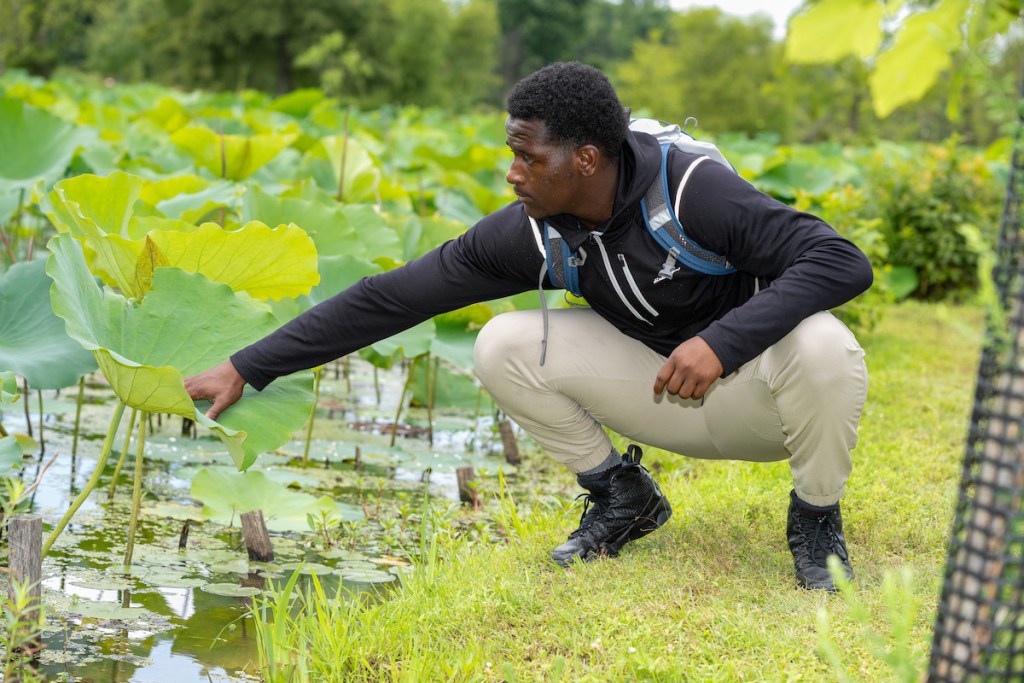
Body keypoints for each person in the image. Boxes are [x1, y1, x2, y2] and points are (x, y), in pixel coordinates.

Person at [185, 61, 871, 591]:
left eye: (529, 158)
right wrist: (250, 364)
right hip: (663, 395)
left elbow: (841, 260)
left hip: (764, 403)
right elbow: (390, 298)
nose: (513, 174)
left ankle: (815, 521)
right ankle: (622, 497)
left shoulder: (690, 190)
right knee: (502, 343)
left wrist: (722, 343)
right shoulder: (533, 233)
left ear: (587, 159)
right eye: (512, 153)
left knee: (824, 345)